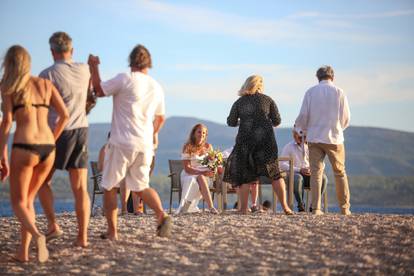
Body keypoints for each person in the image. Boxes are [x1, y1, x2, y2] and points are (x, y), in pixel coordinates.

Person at [88, 44, 172, 240]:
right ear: (148, 62)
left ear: (131, 60)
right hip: (145, 144)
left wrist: (93, 67)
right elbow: (160, 118)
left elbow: (99, 91)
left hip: (121, 142)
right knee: (141, 186)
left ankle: (112, 231)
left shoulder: (124, 78)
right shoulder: (156, 86)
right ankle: (161, 214)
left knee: (110, 186)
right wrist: (152, 134)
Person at [0, 45, 69, 262]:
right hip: (48, 147)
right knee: (28, 200)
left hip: (24, 146)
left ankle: (38, 236)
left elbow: (7, 122)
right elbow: (65, 115)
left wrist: (2, 153)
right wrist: (52, 139)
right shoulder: (45, 84)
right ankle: (23, 253)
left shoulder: (8, 86)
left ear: (9, 63)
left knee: (18, 203)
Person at [37, 32, 91, 247]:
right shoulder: (84, 70)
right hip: (80, 130)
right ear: (72, 50)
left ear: (52, 51)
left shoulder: (46, 75)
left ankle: (53, 225)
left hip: (55, 132)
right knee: (80, 188)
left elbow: (41, 108)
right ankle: (82, 238)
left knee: (42, 180)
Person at [223, 75, 293, 215]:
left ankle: (243, 209)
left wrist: (243, 122)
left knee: (245, 175)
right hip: (266, 141)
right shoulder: (268, 100)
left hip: (245, 142)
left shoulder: (239, 102)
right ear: (260, 86)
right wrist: (264, 123)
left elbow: (230, 121)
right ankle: (286, 207)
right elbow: (277, 120)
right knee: (275, 174)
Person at [295, 65, 351, 215]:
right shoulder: (339, 92)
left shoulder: (310, 92)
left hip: (314, 137)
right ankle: (344, 208)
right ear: (332, 77)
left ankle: (317, 208)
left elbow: (303, 116)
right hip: (334, 138)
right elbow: (346, 118)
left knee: (316, 173)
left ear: (317, 77)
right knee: (339, 173)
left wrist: (301, 131)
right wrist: (338, 129)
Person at [279, 127, 327, 212]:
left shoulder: (311, 147)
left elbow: (322, 164)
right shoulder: (289, 147)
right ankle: (301, 205)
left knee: (323, 178)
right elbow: (282, 164)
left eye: (303, 136)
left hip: (310, 174)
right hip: (295, 175)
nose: (301, 138)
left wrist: (313, 169)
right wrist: (299, 170)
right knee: (298, 178)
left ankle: (314, 205)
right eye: (298, 136)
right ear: (294, 135)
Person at [176, 124, 218, 214]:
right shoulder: (187, 146)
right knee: (196, 178)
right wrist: (202, 172)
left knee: (201, 177)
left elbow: (213, 164)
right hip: (189, 174)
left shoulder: (208, 147)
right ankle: (211, 207)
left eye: (204, 133)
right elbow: (187, 168)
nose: (201, 135)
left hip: (205, 176)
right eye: (199, 132)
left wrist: (213, 169)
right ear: (194, 133)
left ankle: (188, 204)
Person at [98, 132, 144, 215]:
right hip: (106, 178)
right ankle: (124, 209)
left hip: (119, 177)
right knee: (125, 180)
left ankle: (136, 209)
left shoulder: (121, 151)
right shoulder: (104, 149)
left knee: (131, 180)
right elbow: (100, 168)